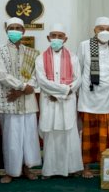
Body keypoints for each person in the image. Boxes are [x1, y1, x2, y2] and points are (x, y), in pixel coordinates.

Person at [0, 17, 41, 183]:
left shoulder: (32, 52)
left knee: (28, 136)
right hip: (9, 100)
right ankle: (10, 171)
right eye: (11, 27)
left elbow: (36, 75)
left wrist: (23, 90)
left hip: (27, 101)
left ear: (23, 31)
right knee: (11, 137)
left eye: (17, 28)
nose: (14, 30)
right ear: (7, 30)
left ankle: (27, 168)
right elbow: (1, 75)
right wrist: (22, 87)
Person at [35, 23, 83, 178]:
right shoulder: (40, 58)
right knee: (51, 135)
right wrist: (64, 90)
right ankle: (49, 170)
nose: (56, 39)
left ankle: (72, 168)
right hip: (50, 101)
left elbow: (78, 79)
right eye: (53, 36)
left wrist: (62, 93)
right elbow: (42, 81)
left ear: (65, 38)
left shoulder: (73, 58)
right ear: (48, 38)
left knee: (69, 134)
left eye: (59, 36)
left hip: (66, 102)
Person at [77, 17, 109, 178]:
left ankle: (106, 166)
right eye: (100, 29)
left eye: (108, 29)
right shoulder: (84, 46)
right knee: (88, 135)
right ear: (94, 30)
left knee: (107, 135)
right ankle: (86, 167)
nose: (104, 32)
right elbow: (78, 70)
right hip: (89, 98)